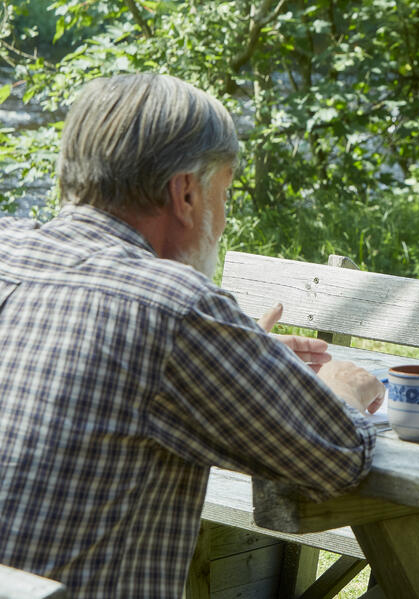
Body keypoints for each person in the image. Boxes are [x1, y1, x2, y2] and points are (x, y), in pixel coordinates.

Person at [0, 73, 385, 597]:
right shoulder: (174, 308)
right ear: (185, 193)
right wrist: (343, 384)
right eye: (223, 192)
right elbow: (336, 453)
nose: (223, 217)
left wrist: (241, 352)